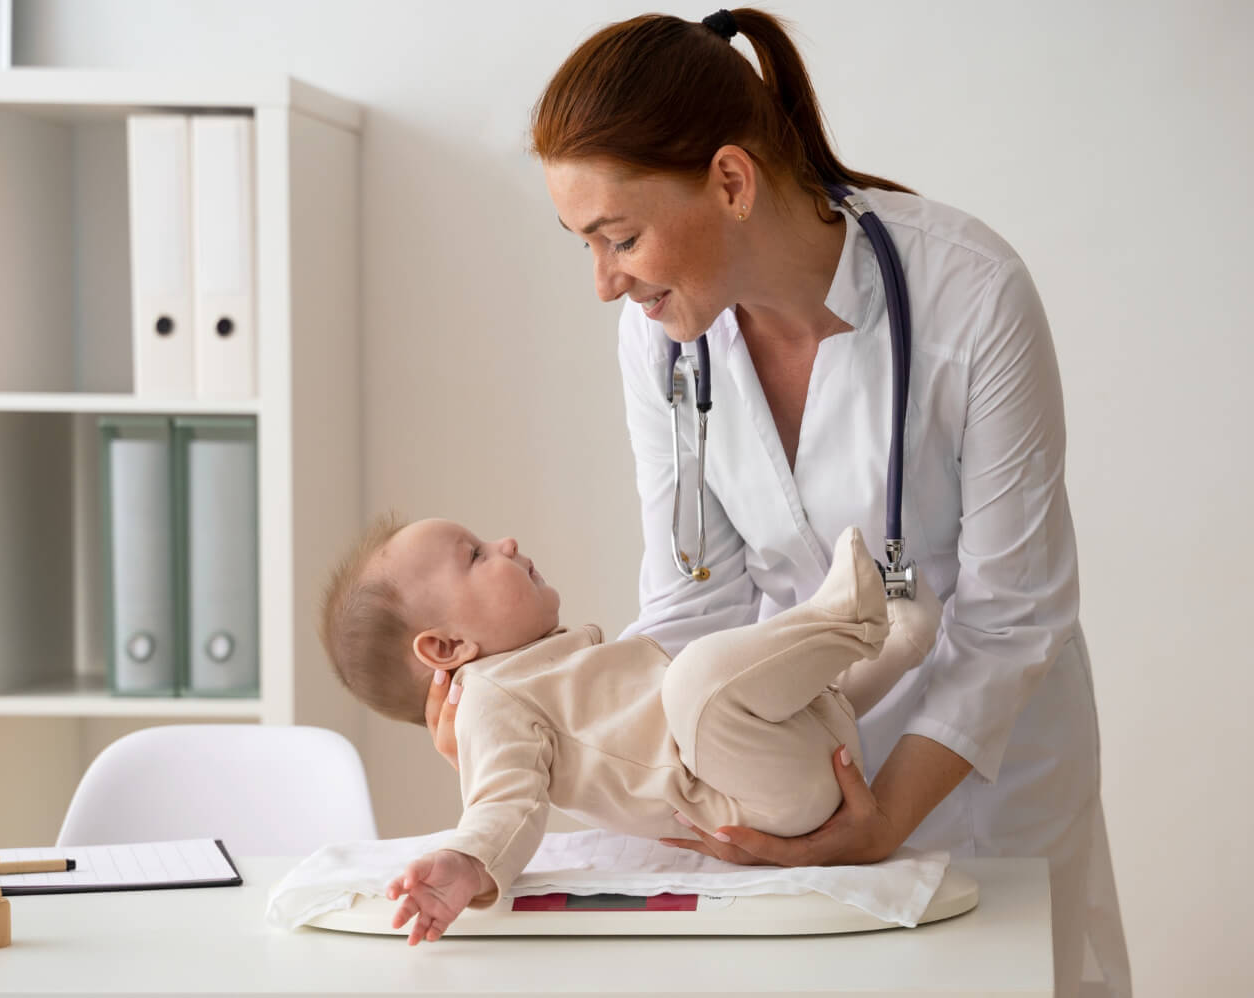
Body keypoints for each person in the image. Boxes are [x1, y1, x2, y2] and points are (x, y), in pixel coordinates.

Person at [420, 9, 1130, 995]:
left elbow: (1013, 617)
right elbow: (696, 598)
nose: (602, 282)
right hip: (775, 753)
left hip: (977, 769)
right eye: (584, 242)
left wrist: (882, 815)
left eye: (618, 237)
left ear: (730, 179)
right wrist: (533, 713)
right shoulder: (665, 337)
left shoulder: (971, 297)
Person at [320, 515, 941, 944]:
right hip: (758, 800)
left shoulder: (547, 666)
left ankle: (898, 639)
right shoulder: (490, 699)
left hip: (785, 760)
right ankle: (852, 621)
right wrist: (465, 861)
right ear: (448, 645)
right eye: (476, 555)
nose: (505, 542)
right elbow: (503, 803)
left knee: (713, 684)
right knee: (696, 683)